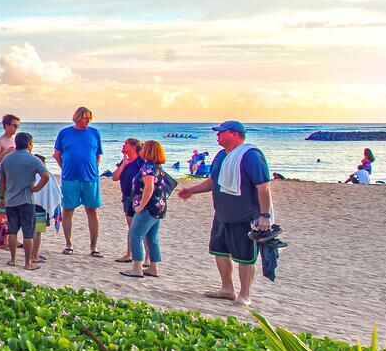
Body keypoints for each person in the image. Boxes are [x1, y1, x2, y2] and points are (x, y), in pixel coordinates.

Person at [176, 120, 273, 307]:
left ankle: (245, 294)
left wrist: (265, 215)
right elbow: (214, 181)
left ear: (235, 134)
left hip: (245, 215)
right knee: (219, 250)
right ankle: (227, 288)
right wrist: (192, 190)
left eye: (221, 132)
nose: (217, 135)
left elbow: (263, 187)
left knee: (245, 255)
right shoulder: (221, 155)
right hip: (222, 213)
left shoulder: (250, 155)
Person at [53, 107, 104, 257]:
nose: (88, 120)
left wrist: (93, 168)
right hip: (70, 177)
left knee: (92, 211)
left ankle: (93, 247)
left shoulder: (94, 133)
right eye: (85, 117)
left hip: (90, 178)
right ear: (77, 118)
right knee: (68, 210)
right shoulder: (64, 133)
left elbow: (98, 154)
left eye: (90, 118)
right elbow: (57, 154)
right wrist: (65, 168)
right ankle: (68, 244)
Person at [0, 132, 49, 270]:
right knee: (27, 233)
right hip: (27, 200)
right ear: (29, 144)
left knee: (12, 231)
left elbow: (2, 180)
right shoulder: (33, 160)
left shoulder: (7, 159)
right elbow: (46, 176)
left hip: (11, 200)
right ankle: (27, 263)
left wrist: (2, 197)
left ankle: (13, 260)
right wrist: (37, 188)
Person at [123, 140, 169, 278]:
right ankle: (153, 267)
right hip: (158, 206)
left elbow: (149, 187)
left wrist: (141, 206)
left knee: (135, 235)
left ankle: (137, 268)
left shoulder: (148, 167)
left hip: (148, 207)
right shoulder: (157, 167)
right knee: (152, 237)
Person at [111, 138, 144, 264]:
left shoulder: (141, 162)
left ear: (134, 147)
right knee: (131, 227)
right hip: (127, 197)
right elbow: (114, 177)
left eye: (126, 144)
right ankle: (129, 254)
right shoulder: (125, 161)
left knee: (142, 228)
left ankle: (146, 258)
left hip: (139, 197)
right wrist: (123, 164)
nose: (123, 146)